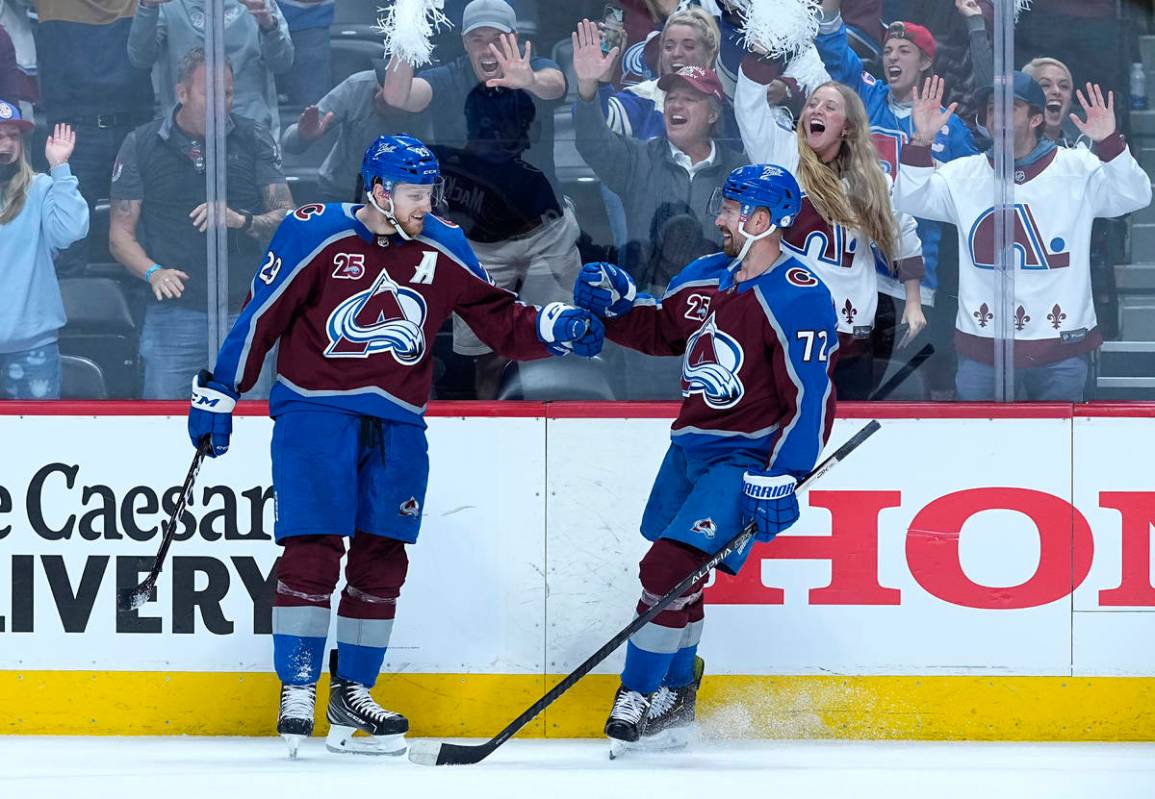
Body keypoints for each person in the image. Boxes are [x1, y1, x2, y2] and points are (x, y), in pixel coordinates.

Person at [186, 134, 603, 757]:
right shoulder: (313, 233)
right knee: (314, 546)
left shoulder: (444, 243)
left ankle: (353, 689)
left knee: (384, 555)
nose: (425, 204)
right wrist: (221, 390)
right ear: (379, 191)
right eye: (413, 193)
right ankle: (298, 684)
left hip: (401, 420)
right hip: (315, 414)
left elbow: (498, 318)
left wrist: (555, 325)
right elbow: (260, 316)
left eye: (429, 192)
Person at [573, 164, 838, 753]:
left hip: (741, 462)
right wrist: (615, 311)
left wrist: (784, 475)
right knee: (685, 576)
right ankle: (677, 696)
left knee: (664, 572)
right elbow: (664, 333)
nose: (717, 218)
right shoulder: (705, 276)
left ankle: (637, 696)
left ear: (762, 220)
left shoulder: (798, 295)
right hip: (687, 449)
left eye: (731, 209)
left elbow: (811, 395)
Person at [894, 73, 1151, 401]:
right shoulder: (964, 174)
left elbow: (1136, 196)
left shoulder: (1077, 168)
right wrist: (920, 140)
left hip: (1062, 349)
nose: (996, 115)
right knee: (982, 449)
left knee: (1059, 450)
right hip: (982, 350)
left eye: (1009, 107)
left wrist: (1110, 142)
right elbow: (908, 200)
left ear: (1036, 118)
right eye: (990, 108)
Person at [109, 48, 293, 399]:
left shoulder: (254, 136)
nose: (222, 102)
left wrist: (241, 219)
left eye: (227, 93)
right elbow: (119, 236)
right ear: (182, 93)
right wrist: (153, 273)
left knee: (248, 425)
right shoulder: (141, 143)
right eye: (210, 93)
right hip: (172, 315)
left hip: (243, 310)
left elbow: (288, 216)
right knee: (161, 425)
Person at [735, 71, 925, 399]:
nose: (817, 111)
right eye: (812, 104)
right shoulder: (784, 159)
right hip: (788, 334)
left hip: (852, 344)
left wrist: (913, 301)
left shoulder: (873, 183)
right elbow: (749, 110)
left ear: (847, 127)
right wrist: (759, 59)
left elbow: (905, 233)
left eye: (830, 107)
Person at [573, 21, 747, 290]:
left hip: (715, 304)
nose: (676, 105)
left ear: (713, 114)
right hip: (650, 304)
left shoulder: (737, 170)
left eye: (689, 99)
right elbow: (593, 144)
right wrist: (587, 88)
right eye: (671, 98)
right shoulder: (638, 159)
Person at [381, 0, 567, 191]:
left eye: (497, 39)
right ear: (464, 42)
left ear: (514, 38)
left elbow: (556, 85)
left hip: (540, 212)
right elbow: (397, 97)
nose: (488, 49)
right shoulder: (448, 77)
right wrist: (407, 31)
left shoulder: (533, 68)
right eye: (477, 39)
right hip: (467, 212)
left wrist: (531, 81)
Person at [35, 0, 156, 276]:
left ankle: (148, 312)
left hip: (134, 127)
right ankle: (71, 315)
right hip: (73, 130)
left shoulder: (141, 3)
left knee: (146, 236)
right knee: (67, 244)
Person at [0, 104, 88, 399]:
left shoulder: (40, 188)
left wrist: (60, 168)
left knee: (35, 444)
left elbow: (72, 231)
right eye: (0, 136)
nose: (8, 143)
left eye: (14, 136)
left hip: (31, 348)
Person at [128, 0, 294, 141]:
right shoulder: (168, 5)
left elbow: (283, 63)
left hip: (252, 134)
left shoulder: (258, 2)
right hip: (183, 136)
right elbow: (140, 59)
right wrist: (148, 7)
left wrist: (268, 25)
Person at [281, 61, 429, 204]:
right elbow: (289, 140)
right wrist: (302, 137)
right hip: (340, 193)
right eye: (382, 82)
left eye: (393, 93)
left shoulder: (432, 105)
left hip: (403, 200)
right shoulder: (359, 85)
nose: (380, 93)